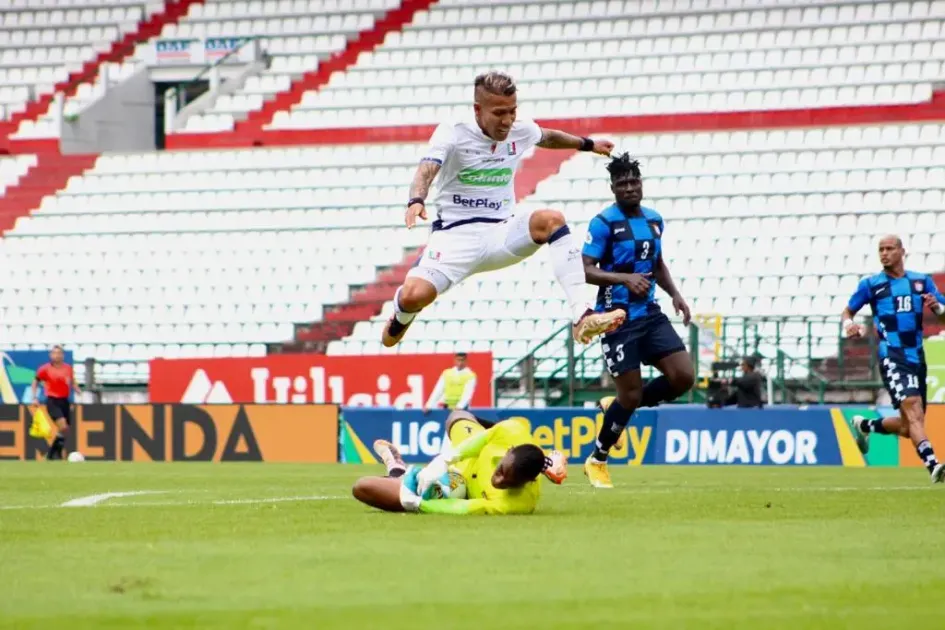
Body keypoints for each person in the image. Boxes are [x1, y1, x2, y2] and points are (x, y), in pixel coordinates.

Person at [383, 71, 625, 349]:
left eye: (512, 111)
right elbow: (427, 168)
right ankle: (402, 315)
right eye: (499, 113)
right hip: (455, 239)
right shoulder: (454, 131)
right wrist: (416, 200)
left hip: (501, 233)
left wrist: (589, 144)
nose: (507, 120)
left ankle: (582, 315)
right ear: (478, 110)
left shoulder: (519, 128)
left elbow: (548, 137)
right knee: (414, 296)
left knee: (552, 220)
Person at [581, 154, 695, 489]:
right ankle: (597, 459)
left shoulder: (654, 220)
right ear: (613, 187)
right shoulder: (603, 223)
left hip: (650, 314)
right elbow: (586, 270)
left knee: (683, 377)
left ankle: (614, 407)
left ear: (641, 184)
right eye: (622, 183)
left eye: (634, 181)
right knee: (629, 396)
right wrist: (624, 279)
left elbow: (656, 263)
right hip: (617, 319)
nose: (629, 187)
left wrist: (675, 293)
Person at [844, 235, 945, 482]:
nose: (884, 253)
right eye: (881, 249)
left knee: (909, 424)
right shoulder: (871, 284)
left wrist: (937, 308)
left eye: (889, 249)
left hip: (917, 357)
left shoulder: (922, 282)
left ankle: (864, 426)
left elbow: (944, 314)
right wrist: (850, 324)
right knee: (912, 409)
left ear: (902, 251)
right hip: (892, 355)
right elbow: (848, 311)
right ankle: (932, 464)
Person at [354, 412, 567, 515]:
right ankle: (399, 470)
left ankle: (396, 468)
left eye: (507, 483)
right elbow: (483, 439)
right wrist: (445, 460)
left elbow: (463, 508)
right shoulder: (511, 430)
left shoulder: (516, 504)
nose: (497, 481)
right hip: (467, 456)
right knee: (457, 416)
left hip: (456, 487)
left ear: (528, 481)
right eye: (501, 471)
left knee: (363, 487)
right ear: (509, 450)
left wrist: (420, 505)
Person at [30, 345, 82, 461]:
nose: (57, 355)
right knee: (63, 427)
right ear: (51, 355)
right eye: (54, 353)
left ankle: (53, 454)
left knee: (66, 430)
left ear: (63, 355)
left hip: (65, 401)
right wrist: (34, 397)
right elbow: (35, 381)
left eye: (59, 353)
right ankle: (54, 453)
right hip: (53, 401)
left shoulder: (68, 368)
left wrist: (77, 388)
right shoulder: (45, 369)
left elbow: (72, 381)